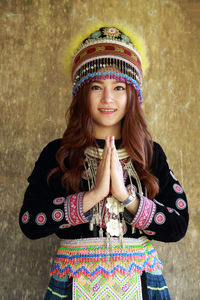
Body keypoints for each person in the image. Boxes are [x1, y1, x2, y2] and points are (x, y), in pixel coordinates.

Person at [19, 26, 189, 300]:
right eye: (97, 87)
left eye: (119, 87)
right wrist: (92, 196)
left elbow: (178, 225)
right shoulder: (59, 153)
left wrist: (125, 196)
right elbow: (29, 221)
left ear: (132, 94)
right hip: (72, 283)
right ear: (81, 92)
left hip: (142, 284)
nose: (108, 99)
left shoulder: (149, 153)